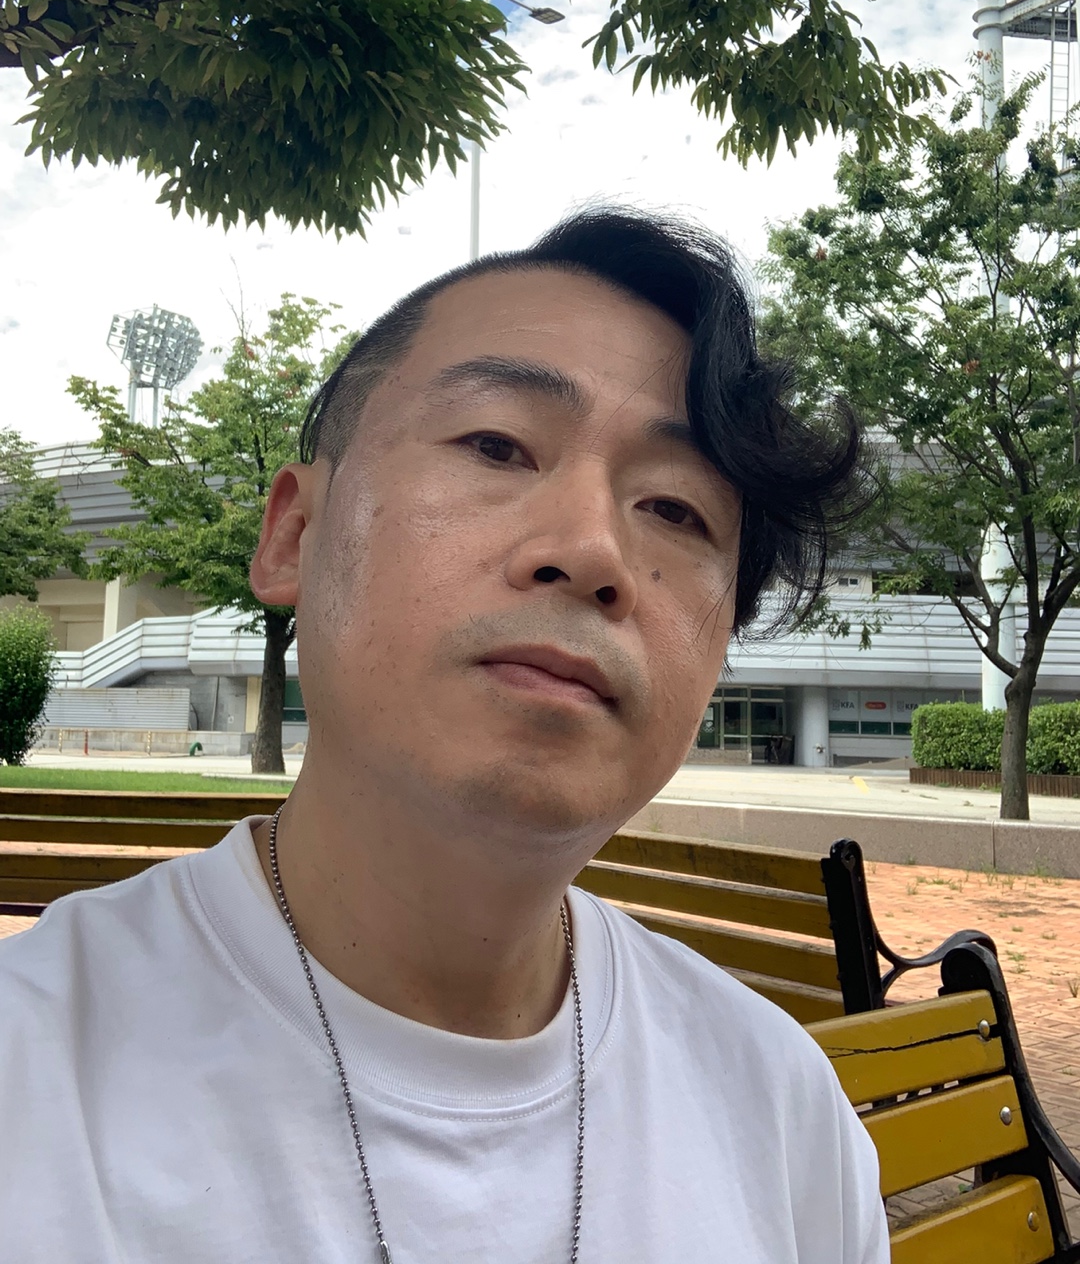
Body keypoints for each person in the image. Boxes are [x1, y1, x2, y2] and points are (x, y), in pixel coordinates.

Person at [0, 208, 886, 1263]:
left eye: (675, 510)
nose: (592, 550)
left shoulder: (783, 1115)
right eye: (497, 444)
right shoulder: (32, 1080)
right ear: (293, 534)